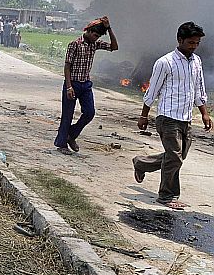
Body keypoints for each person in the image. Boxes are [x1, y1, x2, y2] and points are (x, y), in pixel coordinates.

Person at [133, 22, 211, 210]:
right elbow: (152, 91)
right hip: (167, 117)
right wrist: (144, 116)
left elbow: (198, 90)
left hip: (186, 118)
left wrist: (205, 114)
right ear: (180, 40)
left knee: (176, 156)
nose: (194, 46)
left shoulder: (197, 61)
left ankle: (141, 163)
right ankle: (167, 195)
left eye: (197, 43)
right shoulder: (164, 62)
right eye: (191, 42)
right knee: (174, 157)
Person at [54, 16, 118, 155]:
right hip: (73, 83)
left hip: (86, 84)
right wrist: (69, 87)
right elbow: (67, 66)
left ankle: (71, 134)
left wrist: (109, 28)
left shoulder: (95, 44)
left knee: (89, 113)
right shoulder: (74, 44)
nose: (96, 38)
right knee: (67, 115)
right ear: (88, 31)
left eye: (98, 36)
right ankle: (62, 143)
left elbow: (114, 47)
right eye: (95, 35)